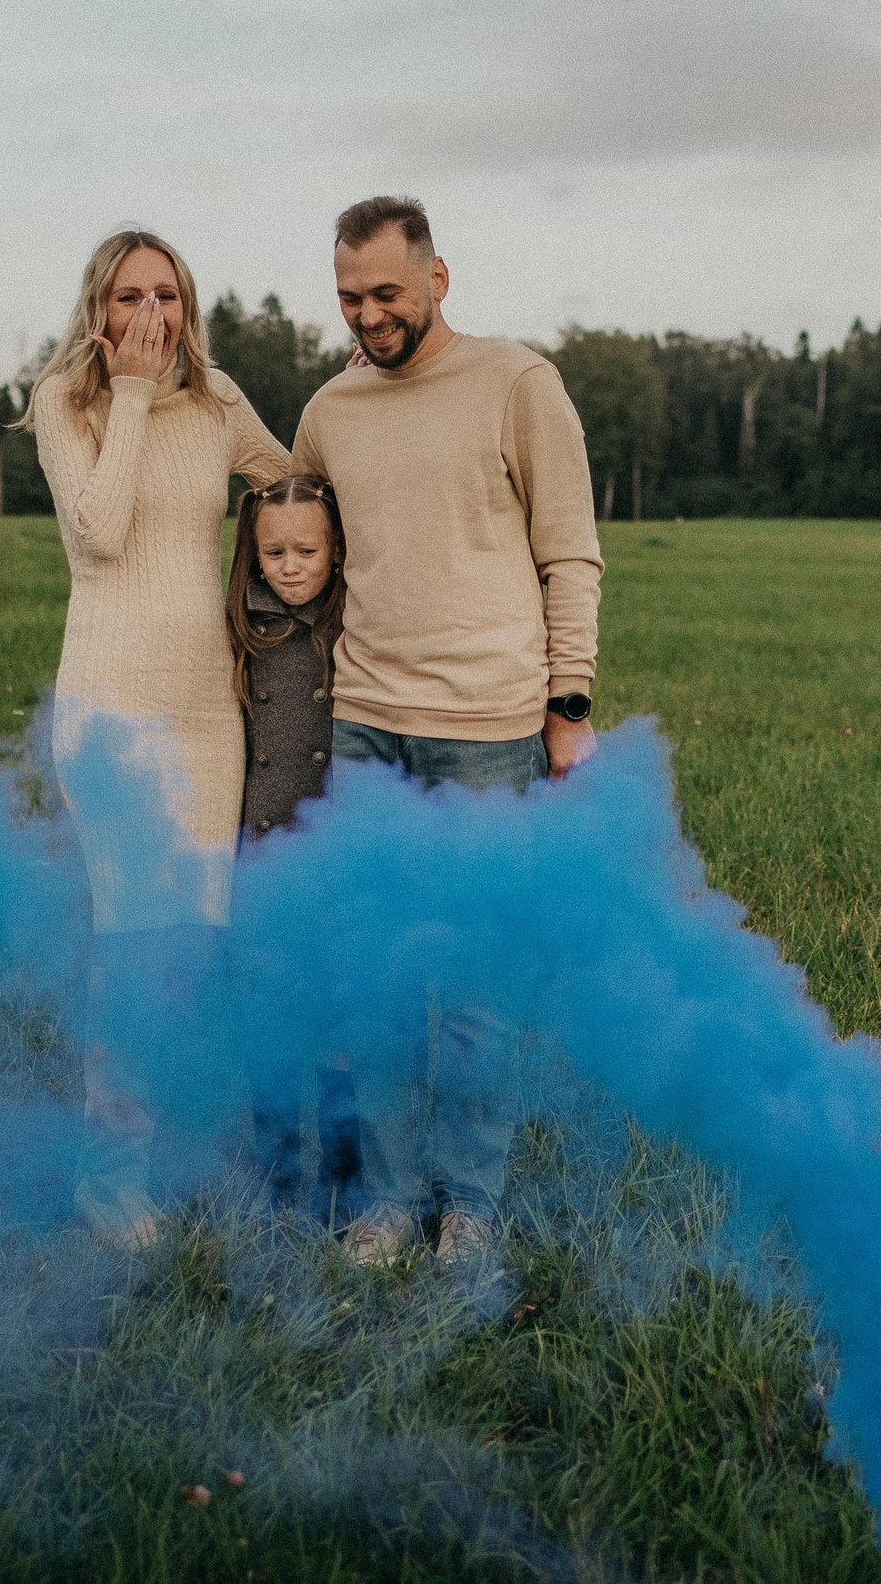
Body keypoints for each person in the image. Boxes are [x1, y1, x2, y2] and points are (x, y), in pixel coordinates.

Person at [291, 194, 603, 1272]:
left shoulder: (518, 383)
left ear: (437, 277)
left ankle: (468, 1205)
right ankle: (383, 1202)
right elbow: (296, 534)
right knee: (377, 985)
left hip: (487, 730)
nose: (368, 314)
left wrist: (569, 706)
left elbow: (570, 552)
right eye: (349, 297)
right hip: (364, 727)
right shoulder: (330, 409)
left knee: (474, 994)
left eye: (386, 291)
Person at [24, 228, 291, 1246]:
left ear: (189, 306)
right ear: (99, 306)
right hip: (113, 709)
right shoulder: (68, 402)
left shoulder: (218, 400)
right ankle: (107, 1180)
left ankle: (188, 1154)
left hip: (209, 711)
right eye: (130, 294)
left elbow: (293, 482)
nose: (150, 314)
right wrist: (131, 395)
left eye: (167, 295)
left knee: (196, 945)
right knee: (134, 946)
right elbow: (99, 531)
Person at [224, 473, 357, 1217]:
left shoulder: (357, 621)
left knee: (340, 1024)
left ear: (337, 549)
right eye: (273, 553)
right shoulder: (240, 627)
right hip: (264, 856)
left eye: (307, 550)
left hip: (336, 858)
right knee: (270, 1023)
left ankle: (345, 1184)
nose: (291, 566)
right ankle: (277, 1183)